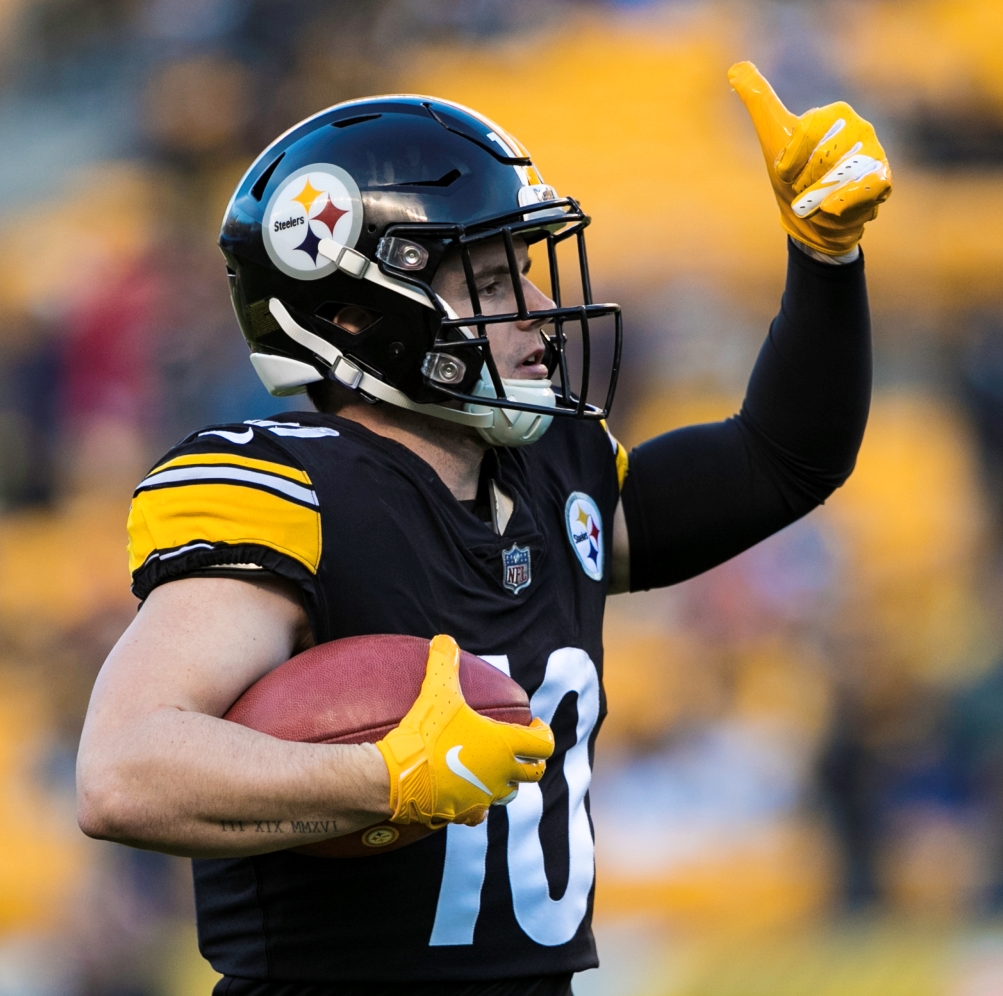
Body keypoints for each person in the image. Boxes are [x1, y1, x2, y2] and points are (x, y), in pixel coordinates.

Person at [76, 62, 889, 996]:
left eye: (528, 274)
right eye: (495, 282)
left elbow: (784, 460)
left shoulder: (554, 474)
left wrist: (826, 262)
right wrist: (387, 776)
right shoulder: (291, 490)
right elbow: (122, 770)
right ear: (360, 315)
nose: (539, 312)